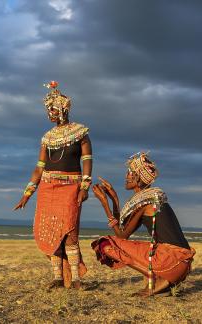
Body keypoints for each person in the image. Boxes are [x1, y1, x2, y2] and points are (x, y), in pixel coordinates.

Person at [14, 81, 92, 289]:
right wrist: (27, 193)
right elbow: (39, 167)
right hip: (47, 189)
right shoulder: (47, 138)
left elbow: (87, 161)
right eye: (48, 110)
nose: (50, 113)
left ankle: (75, 279)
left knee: (70, 231)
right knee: (50, 231)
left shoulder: (80, 133)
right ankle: (58, 277)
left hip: (71, 188)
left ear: (64, 109)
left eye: (54, 109)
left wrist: (85, 186)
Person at [91, 152, 195, 296]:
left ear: (139, 177)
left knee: (104, 244)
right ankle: (162, 280)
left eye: (130, 173)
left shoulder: (145, 203)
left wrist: (104, 203)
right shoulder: (153, 198)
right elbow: (122, 227)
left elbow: (122, 235)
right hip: (182, 265)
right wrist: (114, 197)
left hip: (170, 261)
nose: (126, 176)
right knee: (116, 244)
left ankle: (156, 278)